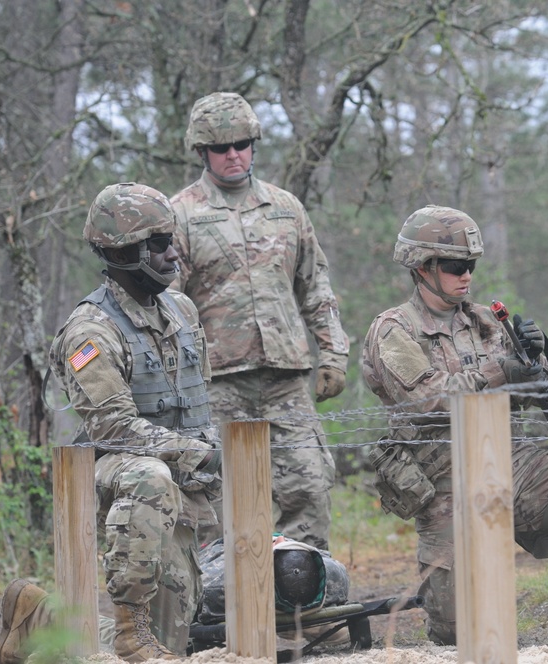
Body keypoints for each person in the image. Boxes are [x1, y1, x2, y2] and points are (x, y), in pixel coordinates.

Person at [362, 205, 548, 647]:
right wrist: (500, 372)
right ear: (422, 267)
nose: (466, 275)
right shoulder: (394, 330)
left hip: (515, 462)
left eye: (470, 265)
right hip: (445, 480)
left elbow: (534, 393)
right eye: (454, 266)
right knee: (456, 630)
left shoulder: (489, 321)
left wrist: (535, 360)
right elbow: (425, 401)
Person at [44, 182, 221, 660]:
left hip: (183, 480)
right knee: (150, 475)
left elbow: (201, 401)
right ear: (122, 252)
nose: (171, 254)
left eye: (172, 241)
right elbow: (112, 428)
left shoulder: (181, 310)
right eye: (157, 244)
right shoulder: (92, 329)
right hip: (119, 480)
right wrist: (195, 454)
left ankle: (41, 622)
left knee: (179, 635)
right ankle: (118, 628)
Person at [171, 92, 349, 551]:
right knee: (217, 501)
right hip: (215, 383)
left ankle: (302, 601)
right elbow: (165, 305)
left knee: (309, 486)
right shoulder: (181, 214)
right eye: (221, 147)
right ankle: (223, 609)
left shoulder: (286, 208)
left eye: (243, 144)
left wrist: (332, 353)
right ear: (201, 151)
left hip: (285, 380)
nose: (233, 154)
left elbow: (316, 286)